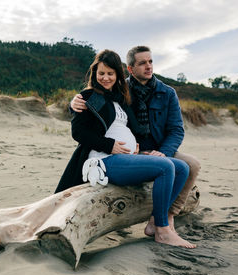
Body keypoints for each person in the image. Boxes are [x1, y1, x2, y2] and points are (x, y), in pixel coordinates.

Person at [55, 49, 196, 248]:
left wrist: (135, 143)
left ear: (118, 75)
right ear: (94, 74)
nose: (105, 78)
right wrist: (110, 145)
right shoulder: (91, 96)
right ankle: (163, 231)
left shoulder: (120, 98)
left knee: (182, 167)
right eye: (101, 73)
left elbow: (133, 127)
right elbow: (78, 133)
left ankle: (155, 222)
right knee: (166, 168)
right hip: (104, 160)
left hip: (127, 157)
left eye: (110, 74)